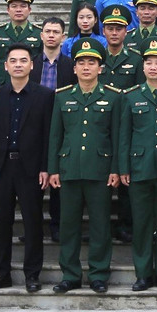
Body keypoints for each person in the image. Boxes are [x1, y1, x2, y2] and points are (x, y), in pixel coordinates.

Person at [48, 39, 122, 294]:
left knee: (101, 225)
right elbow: (55, 136)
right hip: (69, 169)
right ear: (74, 68)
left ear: (100, 68)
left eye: (92, 62)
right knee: (69, 225)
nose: (87, 67)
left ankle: (99, 274)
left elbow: (116, 136)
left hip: (100, 170)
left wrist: (115, 168)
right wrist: (53, 169)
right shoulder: (62, 96)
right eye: (81, 62)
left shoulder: (113, 97)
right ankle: (70, 274)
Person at [0, 44, 53, 293]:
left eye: (24, 60)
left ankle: (32, 275)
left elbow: (48, 136)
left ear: (32, 65)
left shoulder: (44, 95)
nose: (19, 64)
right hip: (1, 167)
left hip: (31, 168)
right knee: (2, 223)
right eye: (14, 60)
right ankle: (1, 274)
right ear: (6, 65)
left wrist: (46, 167)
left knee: (33, 223)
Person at [118, 38, 157, 292]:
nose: (153, 67)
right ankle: (143, 274)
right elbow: (124, 136)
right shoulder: (131, 97)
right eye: (149, 62)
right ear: (142, 67)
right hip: (140, 169)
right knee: (141, 224)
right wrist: (123, 168)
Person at [0, 0, 42, 85]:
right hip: (3, 85)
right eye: (14, 6)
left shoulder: (39, 33)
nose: (18, 10)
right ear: (8, 10)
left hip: (31, 85)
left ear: (29, 10)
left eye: (23, 6)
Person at [97, 4, 143, 92]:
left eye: (118, 29)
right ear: (103, 31)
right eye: (110, 29)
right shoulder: (97, 58)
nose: (114, 33)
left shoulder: (136, 59)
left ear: (126, 32)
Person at [36, 17, 73, 92]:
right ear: (41, 36)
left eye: (56, 32)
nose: (51, 35)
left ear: (63, 37)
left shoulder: (71, 65)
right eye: (47, 31)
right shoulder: (32, 63)